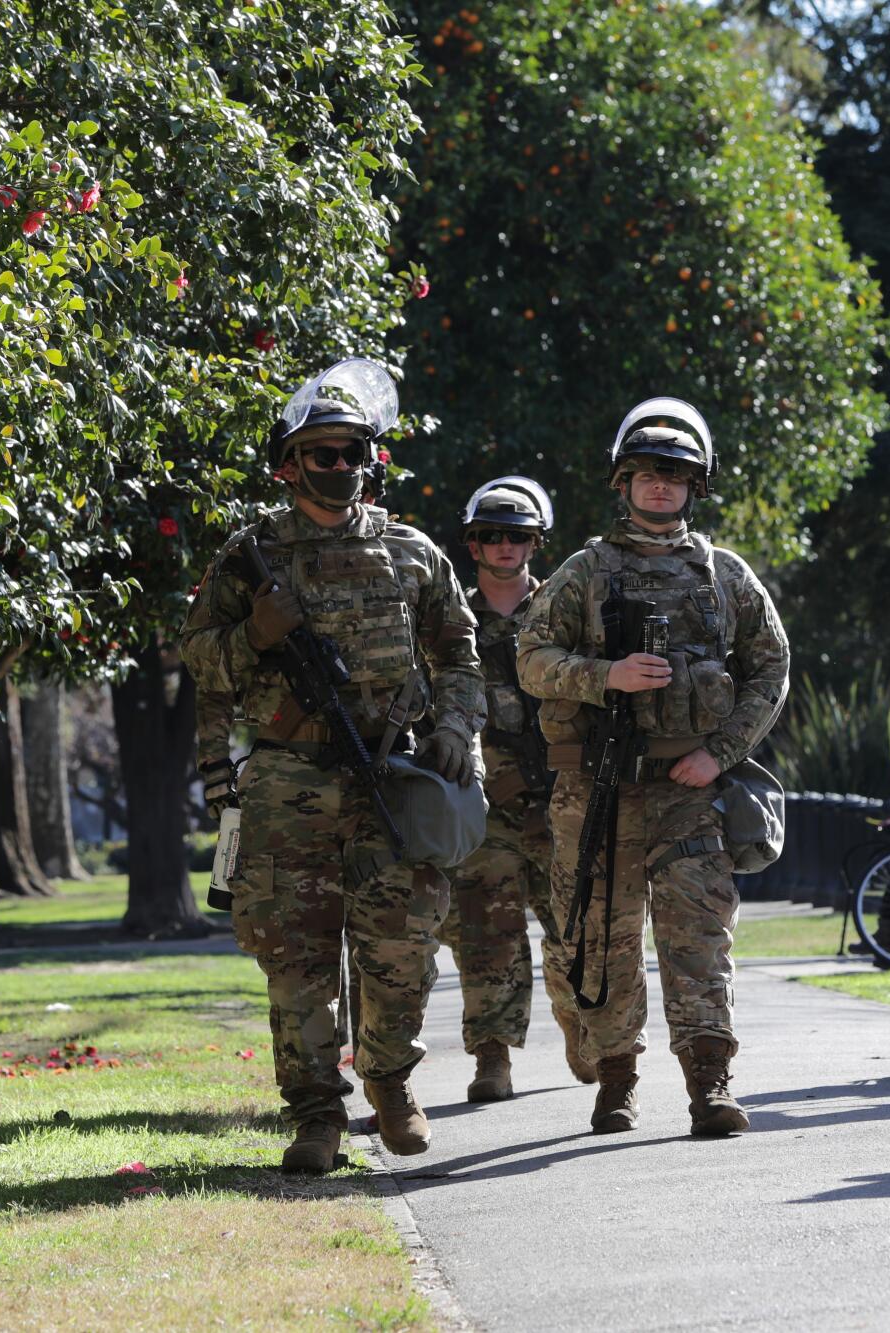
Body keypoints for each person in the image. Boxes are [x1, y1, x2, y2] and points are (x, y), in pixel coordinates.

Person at [180, 358, 486, 1171]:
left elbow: (459, 651)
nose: (340, 467)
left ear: (373, 460)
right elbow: (199, 662)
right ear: (288, 463)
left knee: (402, 947)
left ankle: (391, 1083)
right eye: (322, 453)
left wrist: (458, 726)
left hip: (392, 774)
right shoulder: (249, 557)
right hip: (289, 782)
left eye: (354, 452)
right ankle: (316, 1114)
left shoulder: (414, 552)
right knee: (295, 957)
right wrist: (255, 635)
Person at [518, 396, 790, 1137]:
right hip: (597, 792)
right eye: (646, 473)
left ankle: (710, 1085)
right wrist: (606, 676)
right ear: (623, 481)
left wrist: (720, 753)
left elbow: (771, 670)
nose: (660, 485)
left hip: (687, 791)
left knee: (699, 942)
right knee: (600, 940)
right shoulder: (583, 572)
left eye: (675, 473)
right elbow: (532, 660)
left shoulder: (725, 576)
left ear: (696, 484)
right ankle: (615, 1083)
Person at [437, 476, 592, 1101]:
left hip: (565, 800)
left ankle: (580, 1028)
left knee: (576, 932)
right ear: (473, 545)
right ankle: (492, 1060)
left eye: (518, 536)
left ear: (536, 544)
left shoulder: (566, 613)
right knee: (484, 936)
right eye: (492, 536)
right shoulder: (451, 620)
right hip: (483, 808)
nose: (506, 547)